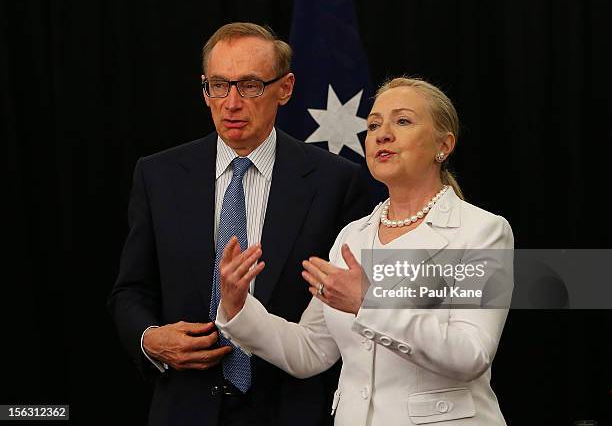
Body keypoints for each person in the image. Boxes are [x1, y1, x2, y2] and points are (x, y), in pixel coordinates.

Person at [107, 22, 372, 426]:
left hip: (292, 408)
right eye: (218, 85)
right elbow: (130, 290)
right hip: (185, 406)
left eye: (250, 85)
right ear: (204, 89)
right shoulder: (158, 175)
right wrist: (150, 339)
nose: (231, 102)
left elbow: (348, 307)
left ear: (285, 88)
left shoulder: (336, 181)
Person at [216, 77, 514, 425]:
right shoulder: (353, 235)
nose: (382, 134)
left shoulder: (482, 231)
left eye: (402, 121)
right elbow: (311, 349)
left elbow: (471, 355)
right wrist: (238, 306)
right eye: (373, 124)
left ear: (443, 145)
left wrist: (369, 303)